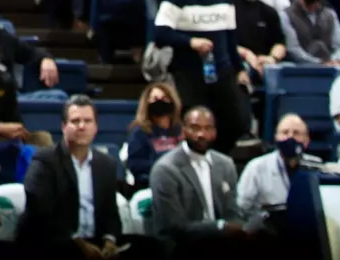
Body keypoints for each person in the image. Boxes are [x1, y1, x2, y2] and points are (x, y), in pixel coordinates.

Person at [155, 0, 252, 153]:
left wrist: (239, 69)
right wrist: (190, 42)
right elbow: (160, 34)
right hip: (189, 72)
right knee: (194, 122)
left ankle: (217, 157)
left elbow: (230, 37)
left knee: (237, 121)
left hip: (222, 70)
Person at [19, 95, 126, 256]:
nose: (81, 126)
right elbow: (41, 215)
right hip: (56, 243)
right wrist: (79, 244)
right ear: (64, 126)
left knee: (148, 247)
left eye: (88, 121)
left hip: (94, 241)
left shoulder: (107, 164)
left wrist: (109, 240)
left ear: (96, 127)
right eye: (75, 121)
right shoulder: (44, 161)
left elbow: (110, 214)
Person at [147, 106, 249, 250]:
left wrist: (242, 227)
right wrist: (220, 227)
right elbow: (175, 226)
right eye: (195, 128)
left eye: (208, 128)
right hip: (181, 247)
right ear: (183, 131)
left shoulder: (226, 164)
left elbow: (231, 211)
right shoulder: (165, 169)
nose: (202, 134)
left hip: (220, 243)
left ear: (214, 132)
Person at [236, 113, 314, 221]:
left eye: (296, 133)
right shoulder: (256, 167)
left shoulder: (316, 166)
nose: (290, 137)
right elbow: (241, 208)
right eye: (285, 132)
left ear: (306, 140)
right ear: (276, 138)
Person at [126, 82, 184, 186]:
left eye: (164, 98)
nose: (160, 102)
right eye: (155, 99)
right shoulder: (139, 132)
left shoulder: (180, 130)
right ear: (147, 104)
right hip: (153, 183)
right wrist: (164, 168)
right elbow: (135, 164)